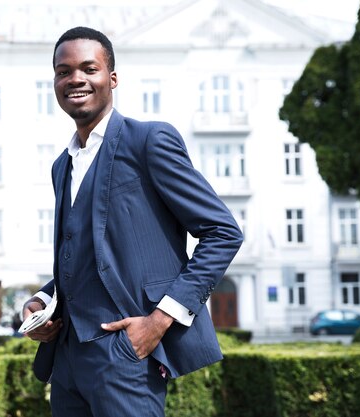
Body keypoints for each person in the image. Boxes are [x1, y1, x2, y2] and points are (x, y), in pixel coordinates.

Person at [22, 26, 243, 417]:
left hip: (126, 353)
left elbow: (222, 232)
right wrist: (42, 301)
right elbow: (89, 258)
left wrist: (159, 321)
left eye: (88, 68)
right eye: (63, 71)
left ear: (112, 78)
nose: (75, 79)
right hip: (67, 358)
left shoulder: (148, 141)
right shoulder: (62, 166)